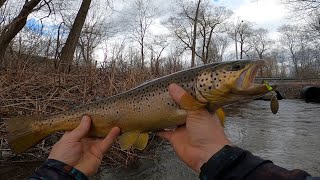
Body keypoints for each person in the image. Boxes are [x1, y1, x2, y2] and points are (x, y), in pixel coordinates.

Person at [28, 84, 313, 180]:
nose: (241, 72)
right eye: (235, 69)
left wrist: (58, 172)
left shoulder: (211, 108)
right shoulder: (190, 98)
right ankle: (34, 128)